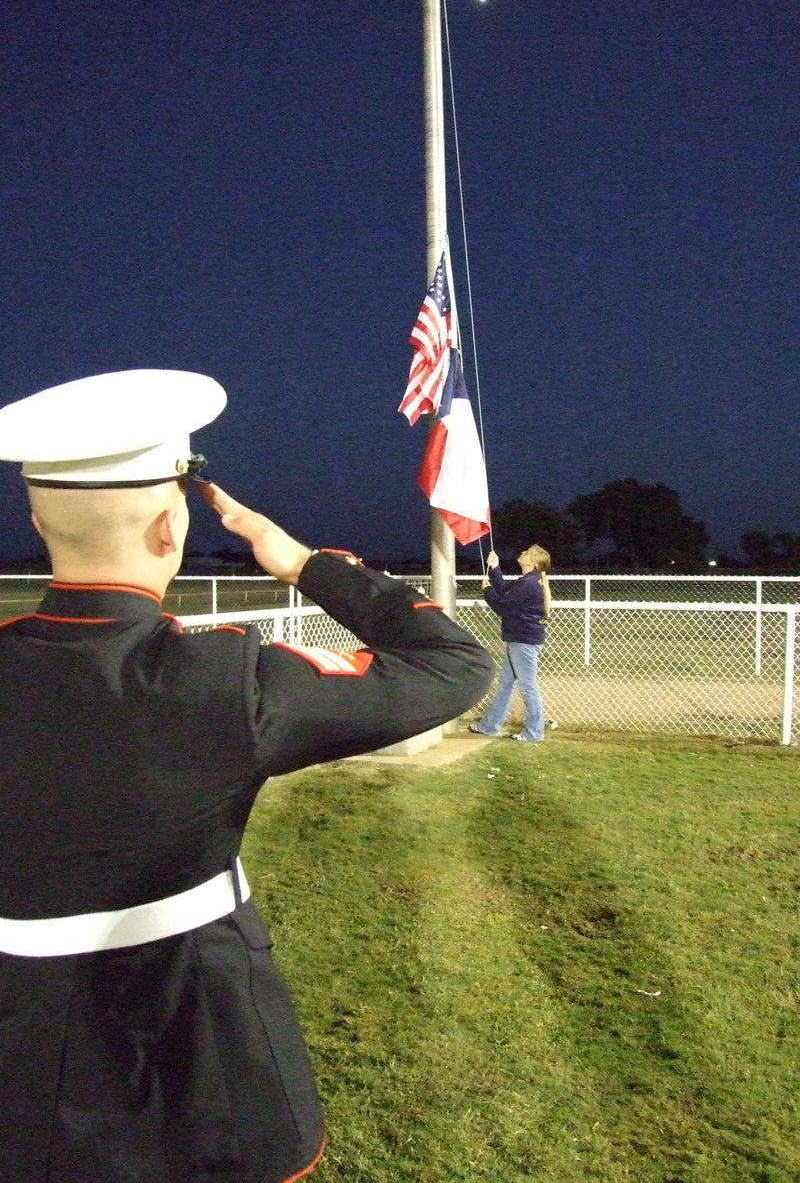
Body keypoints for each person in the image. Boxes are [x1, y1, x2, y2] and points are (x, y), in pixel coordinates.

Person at [0, 369, 493, 1183]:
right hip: (199, 1046)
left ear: (35, 517)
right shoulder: (224, 682)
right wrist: (302, 562)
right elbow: (453, 666)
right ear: (171, 526)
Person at [468, 545, 551, 742]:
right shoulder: (529, 581)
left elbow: (502, 606)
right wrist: (495, 568)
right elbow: (507, 591)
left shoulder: (529, 583)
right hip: (521, 640)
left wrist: (487, 591)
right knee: (505, 683)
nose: (521, 552)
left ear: (533, 562)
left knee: (528, 686)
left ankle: (534, 731)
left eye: (526, 552)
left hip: (523, 641)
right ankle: (489, 726)